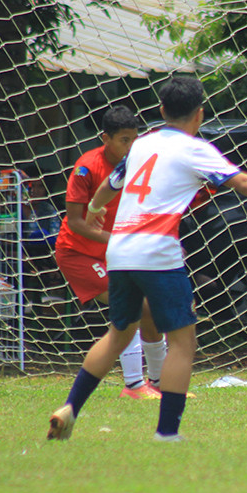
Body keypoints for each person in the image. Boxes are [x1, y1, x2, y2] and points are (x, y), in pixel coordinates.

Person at [46, 76, 247, 441]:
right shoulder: (194, 148)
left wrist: (94, 207)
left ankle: (70, 407)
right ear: (199, 114)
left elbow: (112, 184)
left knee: (117, 335)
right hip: (157, 251)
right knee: (183, 341)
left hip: (119, 251)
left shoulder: (141, 144)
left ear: (161, 111)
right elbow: (244, 183)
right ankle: (167, 433)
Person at [54, 105, 166, 400]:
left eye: (134, 139)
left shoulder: (138, 164)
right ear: (106, 138)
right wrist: (116, 238)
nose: (130, 146)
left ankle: (159, 384)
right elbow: (77, 222)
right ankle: (133, 386)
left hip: (115, 252)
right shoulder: (86, 167)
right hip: (79, 254)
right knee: (132, 307)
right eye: (124, 140)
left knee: (153, 309)